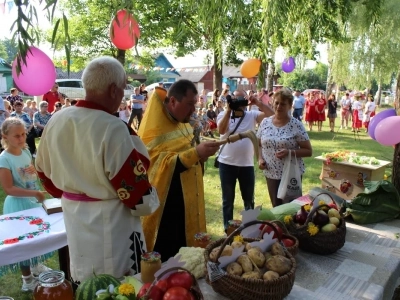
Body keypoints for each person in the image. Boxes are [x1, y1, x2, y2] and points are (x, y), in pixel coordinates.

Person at [35, 56, 160, 283]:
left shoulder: (57, 119)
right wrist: (152, 201)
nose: (123, 95)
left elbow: (43, 172)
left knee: (85, 281)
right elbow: (138, 196)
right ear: (113, 90)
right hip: (112, 223)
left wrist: (74, 192)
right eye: (122, 90)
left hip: (73, 216)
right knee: (114, 286)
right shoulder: (112, 127)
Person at [138, 80, 220, 260]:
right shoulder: (154, 127)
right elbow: (155, 165)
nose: (193, 110)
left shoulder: (182, 121)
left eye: (195, 104)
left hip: (187, 199)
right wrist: (195, 153)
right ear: (173, 101)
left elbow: (186, 153)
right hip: (166, 208)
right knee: (168, 256)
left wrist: (199, 156)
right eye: (190, 104)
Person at [0, 118, 49, 291]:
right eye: (16, 136)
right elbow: (9, 189)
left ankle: (36, 265)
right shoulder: (4, 159)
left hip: (30, 201)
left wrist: (32, 171)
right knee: (23, 241)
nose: (21, 139)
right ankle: (27, 279)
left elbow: (31, 176)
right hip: (17, 204)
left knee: (34, 236)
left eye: (23, 134)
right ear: (5, 136)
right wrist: (34, 193)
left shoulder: (26, 151)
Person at [217, 90, 274, 232]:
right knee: (227, 201)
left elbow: (273, 116)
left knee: (249, 200)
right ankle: (228, 230)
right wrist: (228, 110)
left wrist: (258, 103)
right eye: (236, 98)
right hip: (226, 164)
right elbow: (221, 130)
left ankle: (250, 229)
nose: (239, 102)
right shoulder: (223, 115)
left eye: (242, 98)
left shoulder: (251, 115)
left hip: (246, 165)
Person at [257, 89, 312, 207]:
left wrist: (289, 152)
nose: (278, 106)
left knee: (290, 209)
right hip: (271, 173)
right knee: (276, 208)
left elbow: (308, 151)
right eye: (276, 103)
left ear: (290, 106)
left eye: (283, 104)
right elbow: (258, 144)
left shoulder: (296, 125)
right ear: (272, 103)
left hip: (290, 174)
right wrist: (260, 159)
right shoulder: (265, 122)